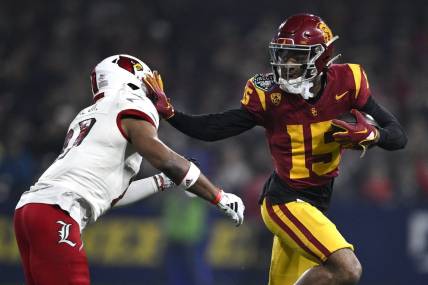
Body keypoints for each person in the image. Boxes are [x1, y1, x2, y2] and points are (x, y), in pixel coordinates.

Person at [144, 14, 408, 285]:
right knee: (347, 268)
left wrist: (374, 135)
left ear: (319, 57)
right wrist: (172, 115)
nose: (286, 63)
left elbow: (398, 136)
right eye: (283, 54)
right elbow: (216, 128)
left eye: (295, 56)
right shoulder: (269, 95)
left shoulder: (348, 81)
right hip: (285, 201)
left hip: (316, 203)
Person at [13, 54, 245, 285]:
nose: (154, 92)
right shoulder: (129, 103)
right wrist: (218, 196)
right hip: (57, 211)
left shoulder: (90, 114)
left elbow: (108, 196)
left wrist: (163, 181)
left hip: (31, 210)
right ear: (132, 80)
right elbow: (165, 158)